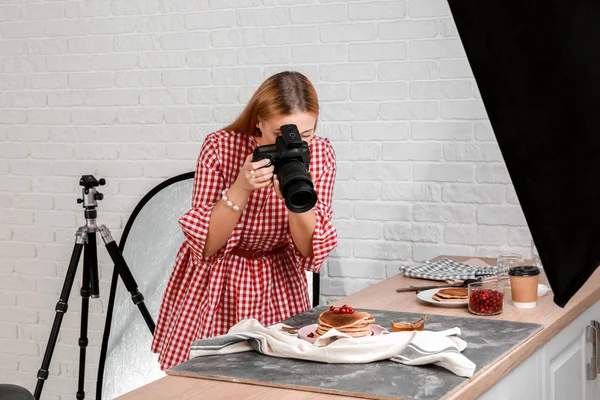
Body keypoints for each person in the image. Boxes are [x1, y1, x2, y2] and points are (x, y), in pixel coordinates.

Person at [151, 71, 338, 370]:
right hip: (217, 280)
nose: (295, 145)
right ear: (258, 122)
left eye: (306, 135)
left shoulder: (321, 153)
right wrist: (241, 187)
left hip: (279, 280)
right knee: (207, 379)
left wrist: (295, 200)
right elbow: (208, 246)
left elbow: (309, 253)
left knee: (280, 376)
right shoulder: (220, 146)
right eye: (282, 135)